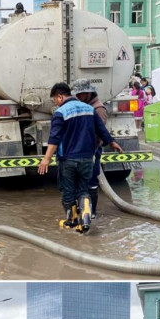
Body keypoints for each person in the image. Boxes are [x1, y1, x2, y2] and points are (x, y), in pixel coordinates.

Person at [37, 82, 122, 233]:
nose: (55, 103)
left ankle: (72, 222)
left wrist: (46, 159)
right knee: (84, 190)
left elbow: (54, 138)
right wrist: (112, 143)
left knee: (68, 192)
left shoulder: (60, 112)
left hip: (68, 159)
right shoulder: (90, 109)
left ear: (60, 96)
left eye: (55, 99)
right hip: (87, 158)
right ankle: (86, 219)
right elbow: (101, 130)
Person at [71, 78, 108, 219]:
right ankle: (84, 210)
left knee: (91, 182)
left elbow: (99, 133)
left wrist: (90, 152)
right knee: (82, 181)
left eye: (80, 95)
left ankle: (92, 213)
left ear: (88, 93)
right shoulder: (87, 106)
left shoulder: (98, 109)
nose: (78, 98)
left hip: (92, 150)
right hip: (84, 150)